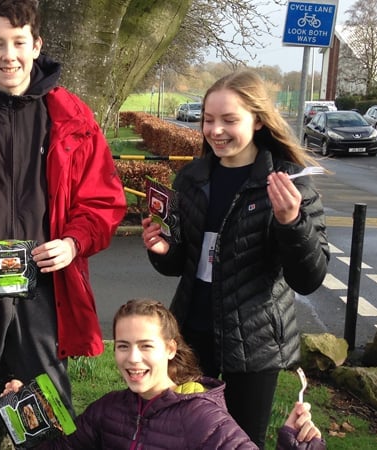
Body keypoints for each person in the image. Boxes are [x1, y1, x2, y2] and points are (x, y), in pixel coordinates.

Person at [0, 0, 127, 439]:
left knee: (49, 411)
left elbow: (103, 201)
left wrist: (73, 243)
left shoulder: (74, 117)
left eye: (18, 42)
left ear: (36, 46)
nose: (8, 55)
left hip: (46, 289)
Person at [141, 70, 330, 447]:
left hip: (254, 343)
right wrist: (162, 251)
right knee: (185, 435)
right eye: (209, 119)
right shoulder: (192, 178)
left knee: (240, 441)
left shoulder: (288, 181)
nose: (216, 130)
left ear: (258, 120)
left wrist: (291, 222)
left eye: (229, 120)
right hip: (191, 334)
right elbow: (179, 264)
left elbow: (308, 278)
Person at [2, 298, 325, 449]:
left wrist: (295, 446)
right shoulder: (108, 409)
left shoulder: (202, 417)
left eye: (146, 346)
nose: (133, 359)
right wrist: (27, 413)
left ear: (170, 349)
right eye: (123, 346)